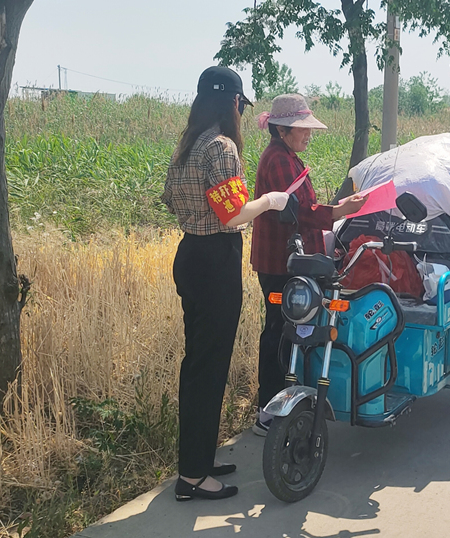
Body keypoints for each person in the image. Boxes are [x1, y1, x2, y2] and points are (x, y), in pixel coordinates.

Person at [162, 66, 290, 501]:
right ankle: (193, 476)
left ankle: (198, 459)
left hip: (190, 254)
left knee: (198, 363)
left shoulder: (187, 145)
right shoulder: (220, 147)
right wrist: (270, 201)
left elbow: (170, 200)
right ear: (234, 103)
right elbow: (233, 215)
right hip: (216, 259)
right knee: (209, 367)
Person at [250, 94, 368, 435]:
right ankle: (270, 411)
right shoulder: (279, 160)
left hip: (285, 261)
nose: (308, 134)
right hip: (282, 263)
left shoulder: (284, 156)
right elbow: (297, 211)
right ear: (283, 130)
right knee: (281, 333)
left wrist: (338, 207)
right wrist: (339, 211)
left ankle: (280, 406)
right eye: (302, 128)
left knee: (286, 332)